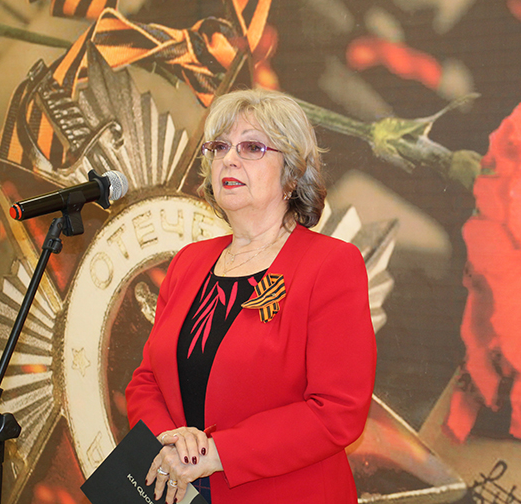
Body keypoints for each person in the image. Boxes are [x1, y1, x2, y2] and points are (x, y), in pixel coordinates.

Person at [125, 88, 376, 504]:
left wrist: (215, 454)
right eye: (219, 147)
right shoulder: (188, 262)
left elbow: (338, 411)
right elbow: (146, 380)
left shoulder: (330, 265)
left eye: (252, 147)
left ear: (292, 175)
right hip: (178, 491)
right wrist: (170, 441)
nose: (228, 159)